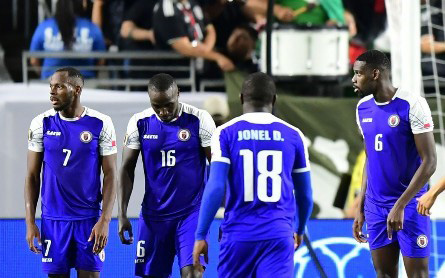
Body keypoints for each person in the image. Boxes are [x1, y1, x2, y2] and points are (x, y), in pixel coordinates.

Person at [193, 72, 313, 277]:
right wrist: (299, 229)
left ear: (241, 99)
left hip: (238, 236)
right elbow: (305, 194)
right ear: (274, 100)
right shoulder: (294, 135)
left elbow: (215, 187)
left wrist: (201, 234)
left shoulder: (225, 133)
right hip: (278, 236)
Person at [118, 73, 216, 277]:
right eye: (157, 106)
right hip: (155, 216)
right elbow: (127, 168)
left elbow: (216, 166)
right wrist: (122, 213)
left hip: (191, 213)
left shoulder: (199, 119)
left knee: (193, 274)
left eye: (169, 105)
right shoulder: (139, 123)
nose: (163, 111)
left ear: (178, 93)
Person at [25, 67, 117, 277]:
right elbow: (31, 175)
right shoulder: (41, 123)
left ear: (77, 90)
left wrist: (104, 220)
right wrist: (30, 222)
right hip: (53, 221)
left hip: (89, 221)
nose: (52, 92)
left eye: (59, 86)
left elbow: (111, 175)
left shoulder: (101, 123)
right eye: (51, 87)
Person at [352, 50, 437, 277]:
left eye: (358, 73)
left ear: (375, 74)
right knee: (384, 275)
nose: (354, 79)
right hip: (375, 207)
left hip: (410, 205)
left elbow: (430, 162)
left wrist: (400, 205)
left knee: (418, 275)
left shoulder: (413, 104)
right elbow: (370, 158)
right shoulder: (362, 108)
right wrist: (361, 206)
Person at [29, 0, 106, 79]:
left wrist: (44, 75)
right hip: (85, 82)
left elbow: (34, 60)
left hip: (52, 81)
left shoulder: (44, 26)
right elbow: (101, 60)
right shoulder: (91, 27)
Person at [152, 0, 235, 73]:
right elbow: (183, 48)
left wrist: (206, 48)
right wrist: (217, 57)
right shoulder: (166, 9)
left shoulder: (192, 3)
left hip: (202, 66)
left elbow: (209, 28)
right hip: (180, 74)